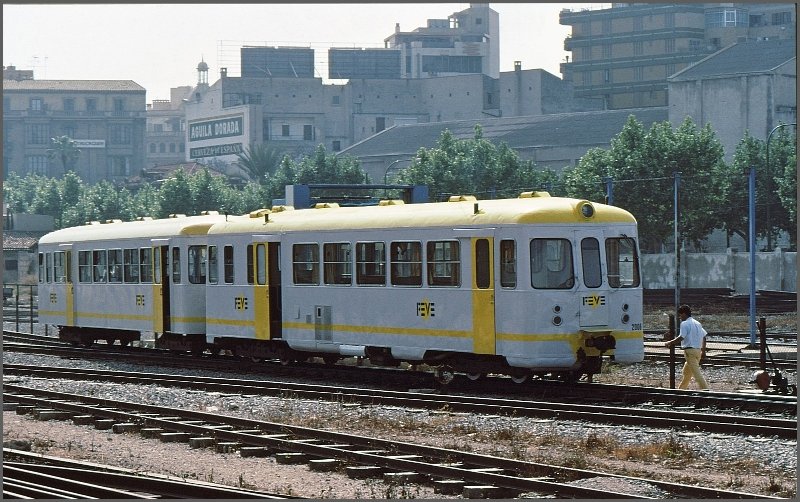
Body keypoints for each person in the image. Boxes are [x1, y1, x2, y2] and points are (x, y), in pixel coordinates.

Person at [664, 304, 709, 390]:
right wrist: (703, 351)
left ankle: (706, 390)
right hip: (697, 351)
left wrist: (670, 342)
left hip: (689, 351)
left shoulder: (684, 324)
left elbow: (681, 337)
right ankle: (681, 390)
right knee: (687, 373)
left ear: (684, 314)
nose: (680, 317)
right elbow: (704, 337)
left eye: (680, 315)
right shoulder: (697, 323)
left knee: (696, 373)